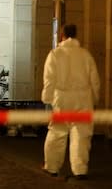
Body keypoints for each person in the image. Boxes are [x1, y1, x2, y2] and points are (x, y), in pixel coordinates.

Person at [41, 24, 100, 180]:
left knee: (57, 133)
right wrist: (95, 98)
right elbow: (94, 80)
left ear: (62, 35)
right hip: (83, 98)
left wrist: (46, 99)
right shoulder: (85, 55)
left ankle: (52, 166)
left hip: (62, 98)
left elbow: (49, 79)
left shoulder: (55, 54)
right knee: (82, 135)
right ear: (76, 35)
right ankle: (80, 169)